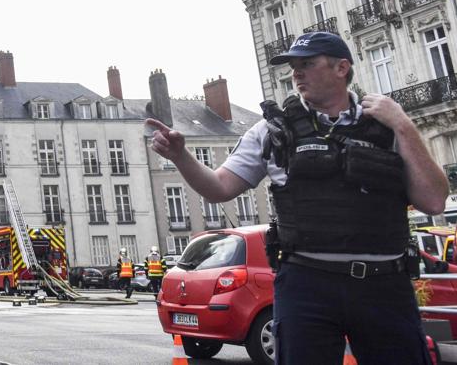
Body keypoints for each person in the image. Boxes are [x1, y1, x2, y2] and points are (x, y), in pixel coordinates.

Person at [148, 32, 447, 364]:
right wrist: (181, 156)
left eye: (307, 64)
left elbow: (434, 201)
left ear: (341, 68)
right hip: (307, 285)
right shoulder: (273, 130)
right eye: (293, 66)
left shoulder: (386, 124)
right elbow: (220, 187)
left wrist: (404, 125)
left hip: (383, 284)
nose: (296, 74)